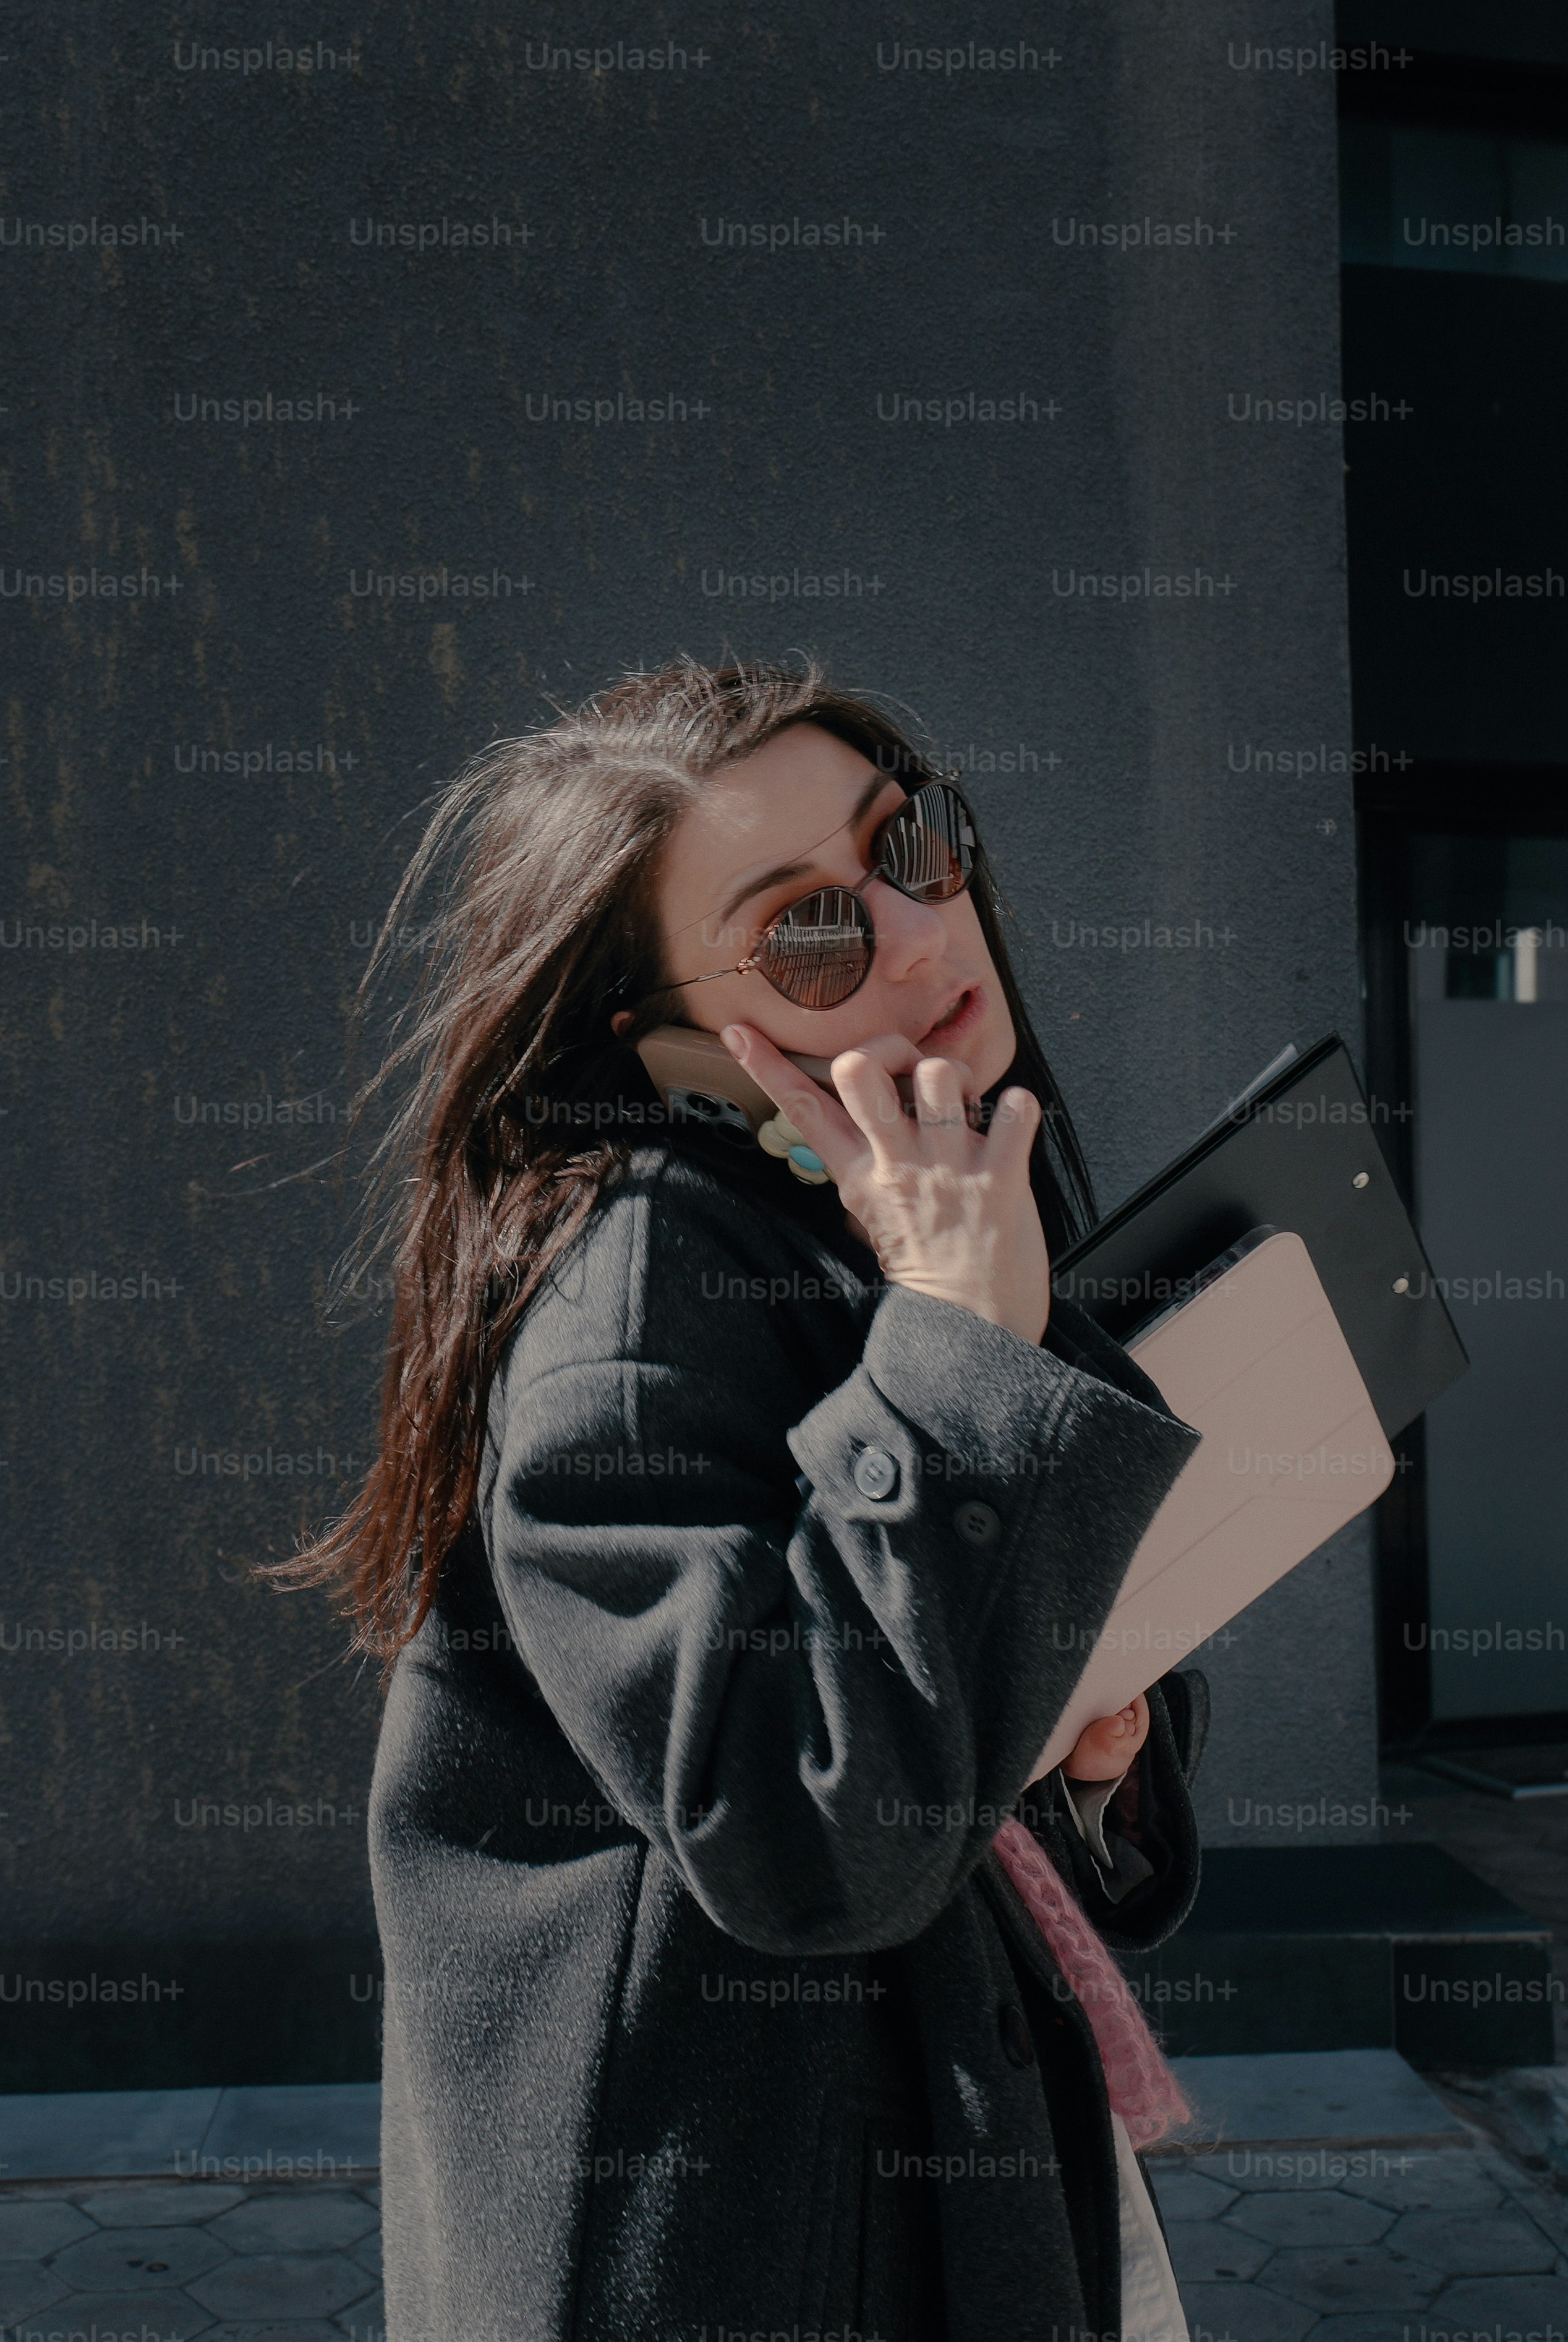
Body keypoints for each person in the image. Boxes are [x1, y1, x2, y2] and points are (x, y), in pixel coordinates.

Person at [280, 657, 1216, 2340]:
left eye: (908, 843)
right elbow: (810, 1838)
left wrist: (1095, 1752)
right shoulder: (631, 1297)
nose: (918, 930)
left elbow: (945, 1759)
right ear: (671, 1041)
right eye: (805, 932)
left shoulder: (874, 1234)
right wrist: (948, 1339)